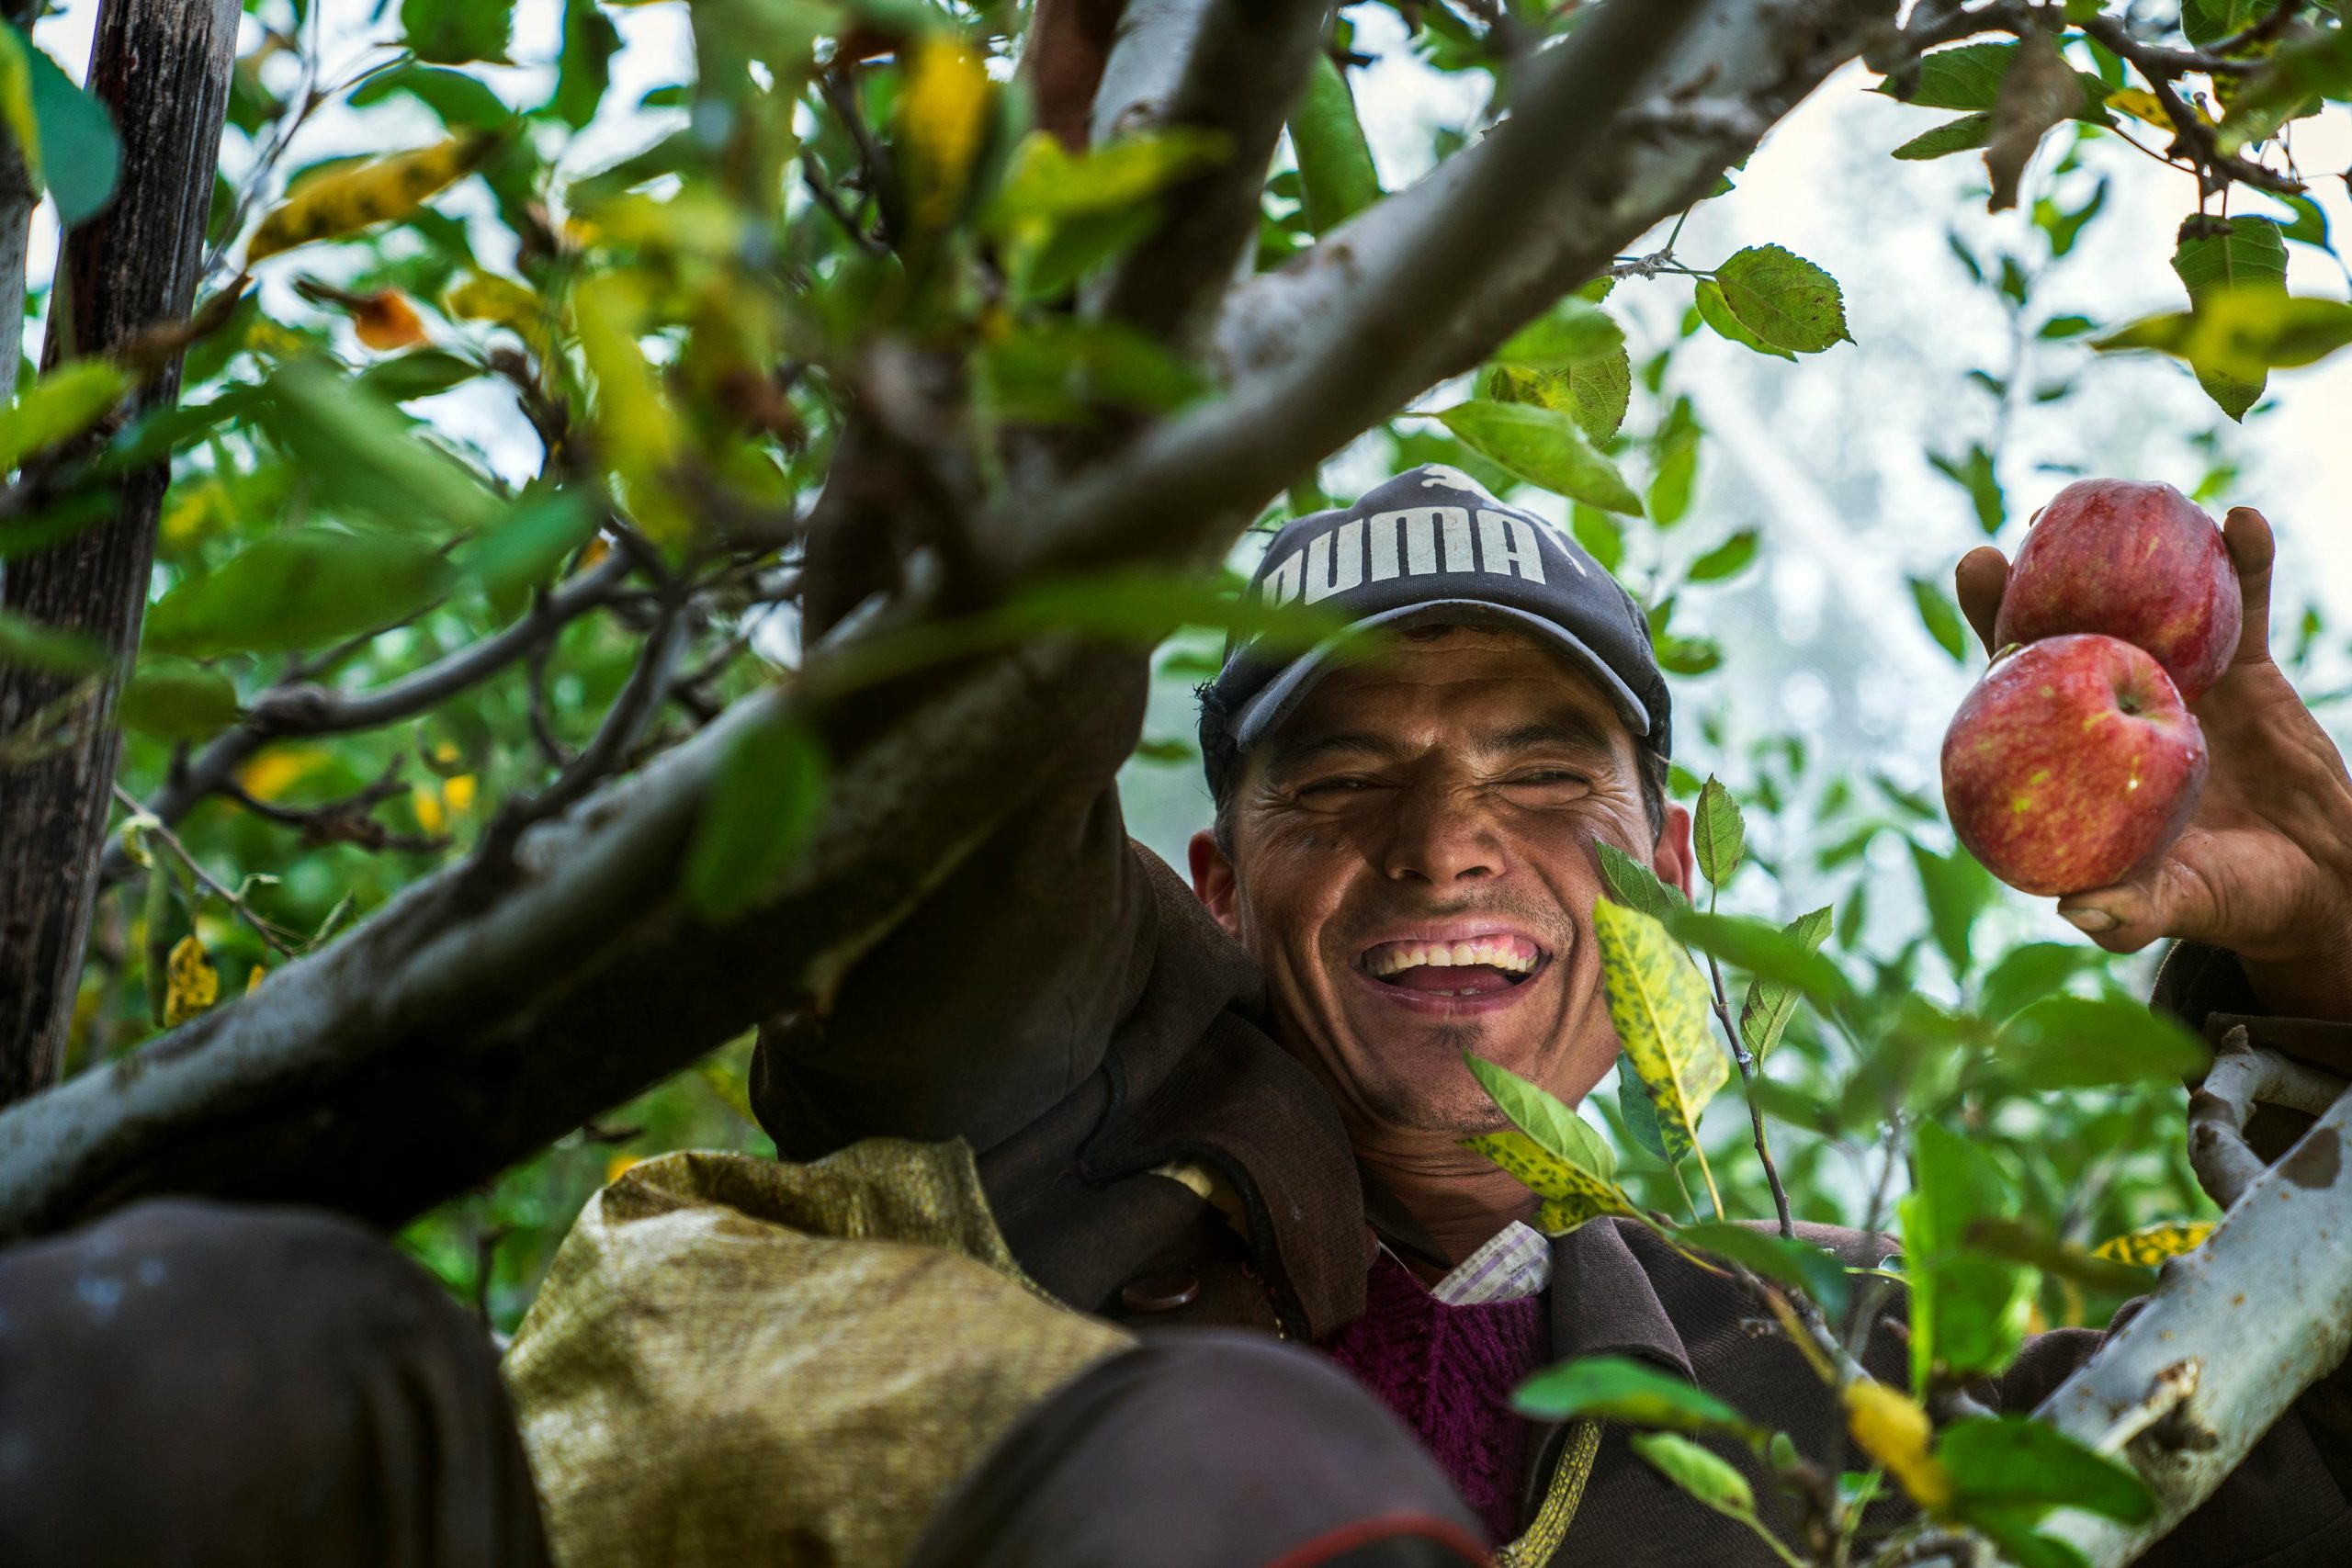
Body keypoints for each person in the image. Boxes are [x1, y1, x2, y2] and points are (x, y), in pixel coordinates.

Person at [6, 467, 2351, 1567]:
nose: (1450, 847)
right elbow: (954, 802)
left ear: (1679, 874)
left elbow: (2257, 1469)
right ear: (1217, 888)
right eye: (1347, 783)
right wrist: (1093, 380)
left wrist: (2328, 963)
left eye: (1549, 780)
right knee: (229, 1335)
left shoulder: (1834, 1392)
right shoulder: (1067, 1088)